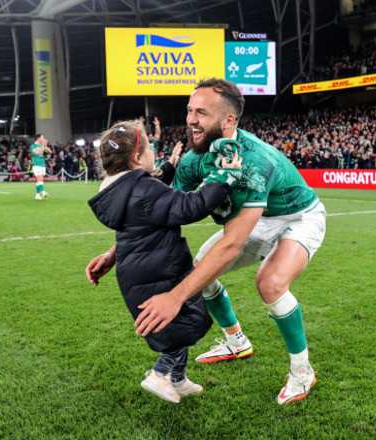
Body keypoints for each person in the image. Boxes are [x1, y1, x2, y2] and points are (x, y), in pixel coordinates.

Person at [86, 78, 327, 405]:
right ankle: (236, 340)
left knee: (269, 283)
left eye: (201, 112)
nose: (190, 119)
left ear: (229, 120)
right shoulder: (193, 160)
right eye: (189, 110)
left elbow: (230, 247)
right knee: (199, 269)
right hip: (252, 219)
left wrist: (175, 296)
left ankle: (302, 370)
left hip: (297, 217)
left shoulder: (255, 161)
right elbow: (160, 212)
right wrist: (115, 252)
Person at [85, 119, 243, 403]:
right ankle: (160, 374)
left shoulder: (121, 191)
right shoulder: (143, 191)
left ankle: (179, 380)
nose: (153, 155)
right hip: (161, 267)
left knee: (176, 324)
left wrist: (169, 165)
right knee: (184, 320)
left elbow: (150, 193)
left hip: (138, 268)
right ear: (137, 156)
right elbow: (189, 206)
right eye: (149, 148)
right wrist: (224, 179)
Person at [30, 134, 52, 199]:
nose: (43, 138)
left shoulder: (42, 145)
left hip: (42, 164)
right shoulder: (33, 146)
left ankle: (37, 195)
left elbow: (50, 152)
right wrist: (42, 146)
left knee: (39, 180)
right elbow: (38, 153)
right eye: (42, 137)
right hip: (36, 164)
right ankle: (43, 192)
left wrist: (46, 146)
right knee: (40, 178)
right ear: (38, 138)